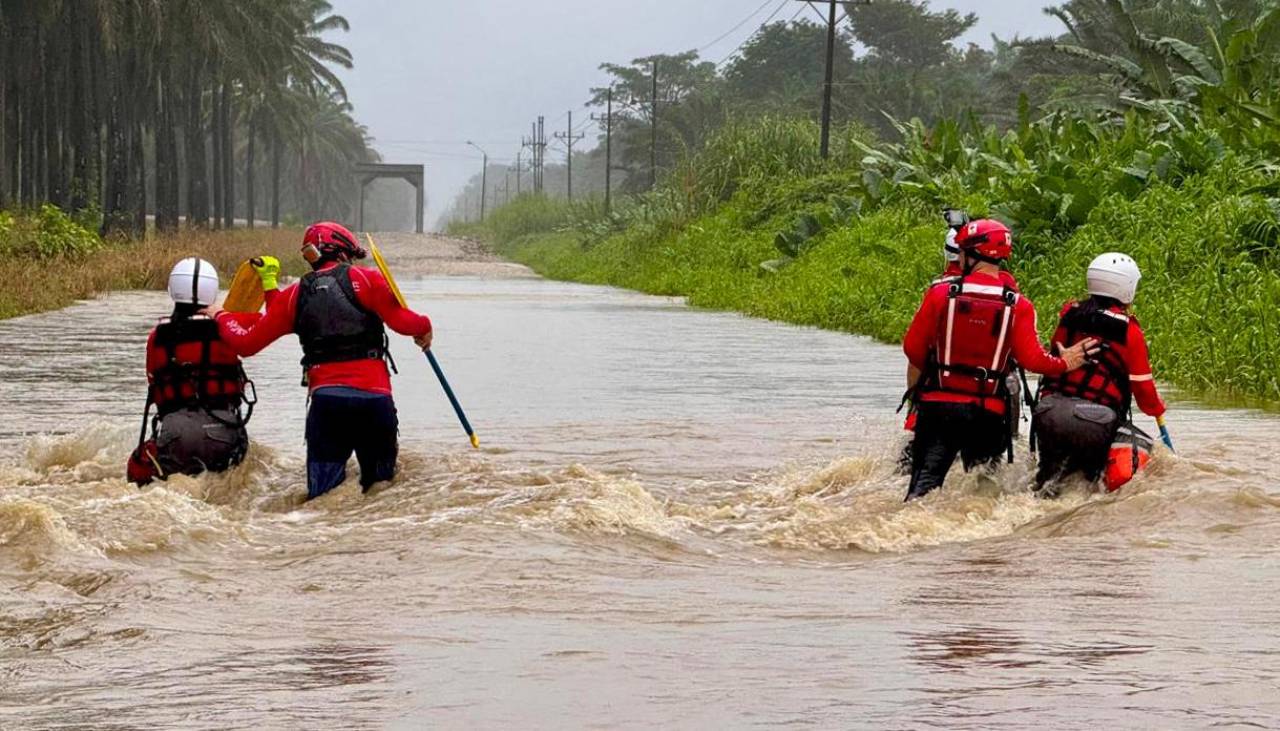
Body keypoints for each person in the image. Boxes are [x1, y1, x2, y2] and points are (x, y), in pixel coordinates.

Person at [204, 221, 433, 500]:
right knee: (381, 495)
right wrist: (425, 329)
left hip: (327, 406)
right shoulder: (368, 280)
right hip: (374, 404)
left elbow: (246, 343)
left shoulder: (294, 296)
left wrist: (220, 314)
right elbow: (408, 322)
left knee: (323, 501)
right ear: (344, 252)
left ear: (311, 255)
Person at [901, 219, 1099, 501]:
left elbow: (913, 350)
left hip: (939, 407)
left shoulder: (940, 294)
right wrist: (1065, 361)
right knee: (983, 494)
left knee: (922, 490)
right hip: (988, 412)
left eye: (962, 252)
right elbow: (1033, 360)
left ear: (970, 255)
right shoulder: (1019, 305)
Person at [1031, 253, 1167, 494]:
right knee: (1088, 489)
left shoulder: (1069, 315)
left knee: (1047, 484)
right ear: (1126, 288)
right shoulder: (1129, 330)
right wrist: (1157, 408)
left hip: (1049, 411)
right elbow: (1143, 391)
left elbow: (1055, 355)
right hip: (1096, 421)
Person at [127, 258, 259, 486]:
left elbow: (154, 383)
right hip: (225, 430)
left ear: (173, 290)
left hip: (176, 433)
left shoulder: (156, 337)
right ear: (213, 291)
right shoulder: (228, 328)